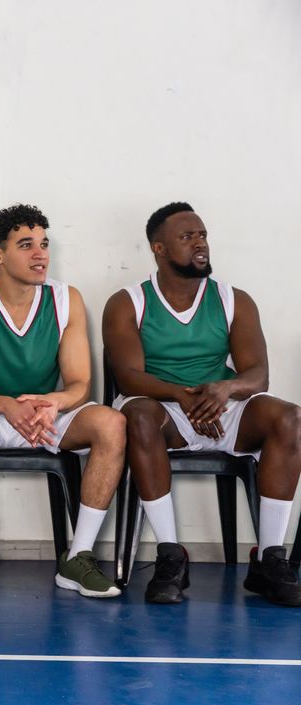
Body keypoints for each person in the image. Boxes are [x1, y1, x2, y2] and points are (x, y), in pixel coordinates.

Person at [103, 201, 301, 606]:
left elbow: (257, 375)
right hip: (164, 409)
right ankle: (172, 555)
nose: (200, 244)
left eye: (203, 235)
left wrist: (224, 391)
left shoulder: (233, 299)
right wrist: (181, 395)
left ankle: (268, 559)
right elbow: (128, 377)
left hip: (220, 405)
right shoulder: (127, 302)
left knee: (291, 419)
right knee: (137, 417)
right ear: (158, 248)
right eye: (187, 236)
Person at [0, 204, 125, 598]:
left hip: (43, 416)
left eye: (44, 244)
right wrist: (4, 404)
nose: (40, 254)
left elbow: (79, 383)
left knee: (111, 423)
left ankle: (79, 557)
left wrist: (54, 402)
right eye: (26, 245)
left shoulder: (66, 299)